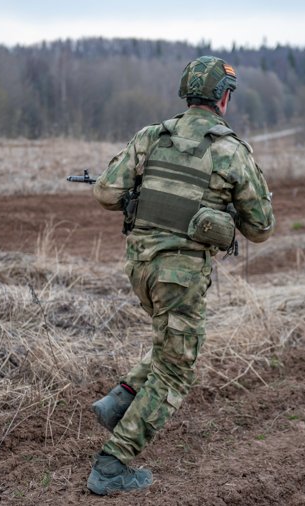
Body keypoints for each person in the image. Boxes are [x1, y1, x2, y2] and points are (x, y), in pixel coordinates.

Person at [88, 56, 275, 495]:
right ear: (224, 98)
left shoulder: (152, 136)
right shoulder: (232, 150)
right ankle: (112, 465)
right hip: (179, 275)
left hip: (139, 268)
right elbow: (261, 229)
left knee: (173, 343)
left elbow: (104, 192)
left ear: (186, 92)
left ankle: (120, 402)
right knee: (177, 369)